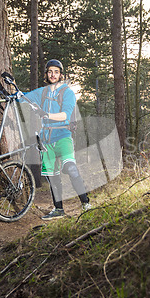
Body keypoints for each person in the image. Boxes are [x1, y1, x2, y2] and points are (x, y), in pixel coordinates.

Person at [22, 59, 91, 220]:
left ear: (61, 74)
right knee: (52, 176)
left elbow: (65, 115)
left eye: (56, 72)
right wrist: (8, 92)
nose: (53, 75)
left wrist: (46, 115)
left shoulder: (67, 92)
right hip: (46, 141)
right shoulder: (43, 92)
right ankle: (58, 209)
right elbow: (23, 98)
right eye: (50, 71)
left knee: (72, 169)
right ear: (46, 74)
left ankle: (86, 204)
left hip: (63, 137)